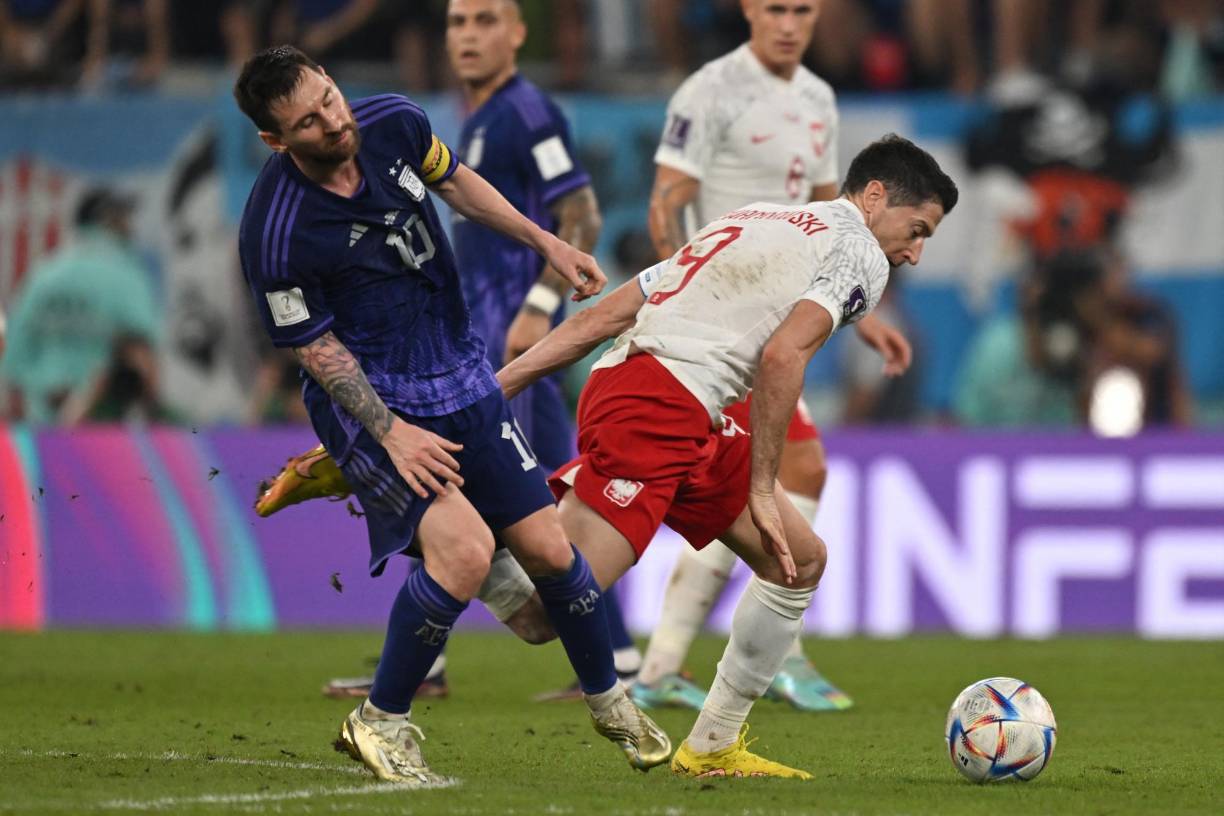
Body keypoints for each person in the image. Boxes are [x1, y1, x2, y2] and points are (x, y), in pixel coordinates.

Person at [233, 45, 670, 785]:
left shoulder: (395, 123)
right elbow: (314, 348)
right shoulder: (275, 233)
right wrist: (389, 434)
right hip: (376, 403)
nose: (335, 121)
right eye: (309, 121)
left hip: (460, 373)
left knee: (551, 578)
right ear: (276, 141)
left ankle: (610, 701)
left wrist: (548, 242)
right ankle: (379, 723)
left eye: (332, 97)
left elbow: (459, 185)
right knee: (463, 553)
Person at [499, 134, 957, 777]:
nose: (914, 252)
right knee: (539, 615)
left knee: (797, 562)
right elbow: (782, 357)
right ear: (875, 197)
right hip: (658, 406)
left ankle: (713, 744)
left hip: (668, 398)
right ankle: (456, 519)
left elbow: (605, 318)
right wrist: (763, 489)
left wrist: (493, 394)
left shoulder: (754, 218)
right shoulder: (861, 255)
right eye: (917, 230)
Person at [634, 0, 911, 713]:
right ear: (750, 10)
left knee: (781, 474)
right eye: (776, 7)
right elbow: (668, 198)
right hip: (726, 320)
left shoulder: (817, 98)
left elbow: (837, 211)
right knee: (787, 471)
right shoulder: (710, 88)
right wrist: (684, 285)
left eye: (803, 10)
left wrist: (866, 311)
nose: (789, 23)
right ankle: (767, 650)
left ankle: (668, 662)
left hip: (783, 318)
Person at [0, 188, 163, 424]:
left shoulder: (43, 274)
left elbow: (12, 358)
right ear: (106, 220)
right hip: (105, 432)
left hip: (41, 433)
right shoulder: (126, 275)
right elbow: (144, 355)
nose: (130, 226)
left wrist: (48, 387)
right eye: (123, 217)